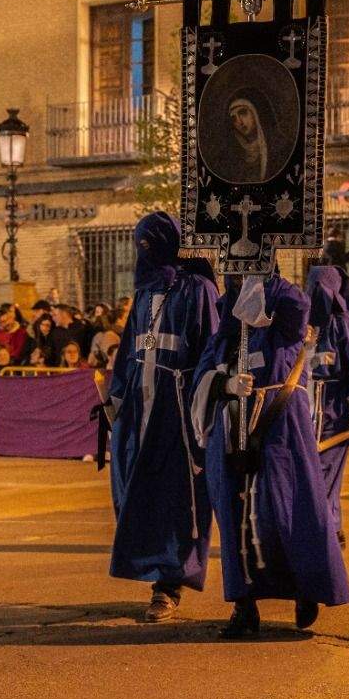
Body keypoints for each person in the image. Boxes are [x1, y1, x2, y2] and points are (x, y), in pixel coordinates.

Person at [192, 271, 349, 637]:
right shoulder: (226, 336)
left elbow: (299, 305)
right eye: (235, 282)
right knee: (235, 521)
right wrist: (224, 382)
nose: (238, 289)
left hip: (280, 433)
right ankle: (244, 607)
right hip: (232, 436)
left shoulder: (284, 328)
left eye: (245, 284)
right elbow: (204, 372)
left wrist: (263, 272)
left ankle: (306, 590)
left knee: (289, 510)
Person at [104, 213, 220, 622]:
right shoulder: (143, 293)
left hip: (178, 410)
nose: (144, 254)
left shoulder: (198, 289)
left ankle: (169, 584)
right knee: (134, 490)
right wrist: (116, 397)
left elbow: (211, 350)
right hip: (140, 406)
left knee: (177, 498)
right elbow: (128, 352)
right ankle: (148, 568)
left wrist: (205, 405)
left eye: (150, 244)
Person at [305, 264, 349, 546]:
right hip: (305, 409)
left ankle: (328, 530)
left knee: (326, 475)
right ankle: (330, 527)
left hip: (334, 413)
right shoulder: (304, 324)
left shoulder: (346, 324)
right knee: (311, 474)